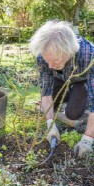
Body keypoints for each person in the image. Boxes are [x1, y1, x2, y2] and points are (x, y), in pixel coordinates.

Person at [29, 20, 94, 157]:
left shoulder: (89, 56)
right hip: (59, 77)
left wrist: (87, 139)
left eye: (55, 60)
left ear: (68, 52)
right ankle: (68, 95)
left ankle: (81, 95)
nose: (50, 66)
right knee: (50, 106)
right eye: (48, 61)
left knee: (73, 113)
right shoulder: (44, 56)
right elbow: (46, 91)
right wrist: (50, 124)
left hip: (81, 80)